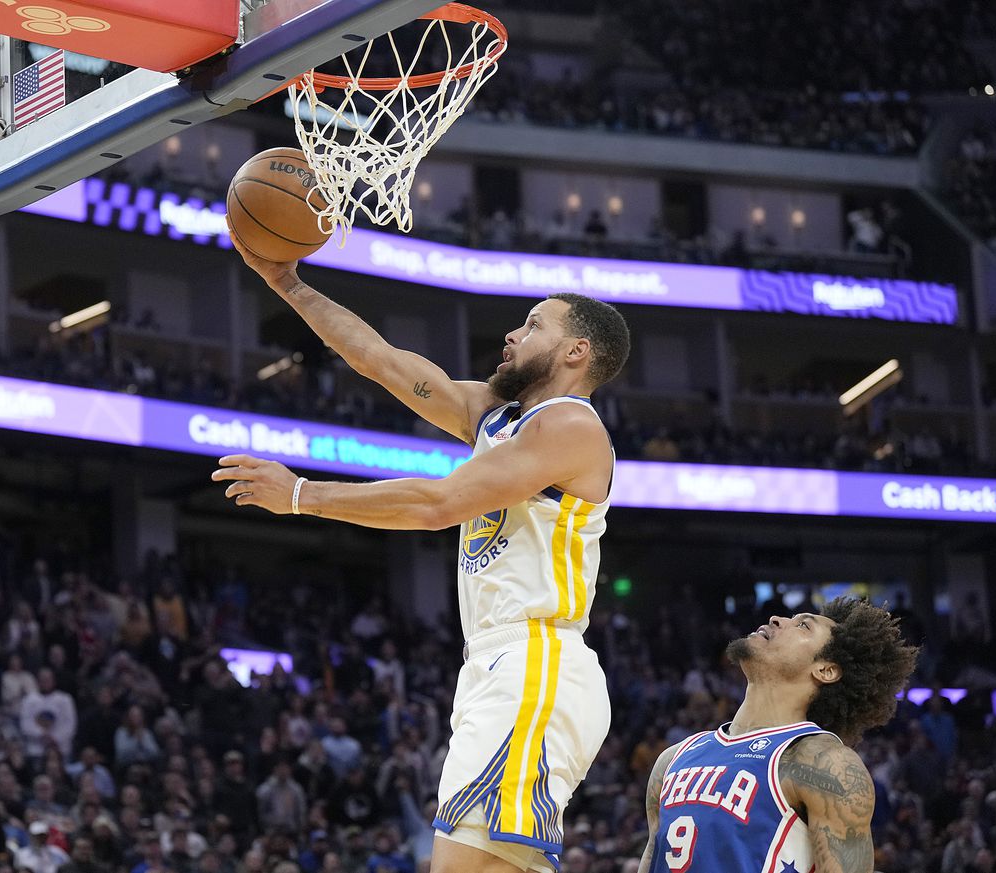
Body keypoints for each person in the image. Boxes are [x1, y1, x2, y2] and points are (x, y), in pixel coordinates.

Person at [217, 243, 632, 873]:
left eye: (534, 325)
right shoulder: (500, 418)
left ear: (577, 352)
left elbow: (440, 503)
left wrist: (302, 495)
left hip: (535, 659)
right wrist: (286, 282)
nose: (513, 334)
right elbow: (379, 360)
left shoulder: (570, 427)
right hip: (498, 663)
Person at [638, 599, 918, 873]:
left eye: (803, 626)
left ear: (826, 670)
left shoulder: (825, 762)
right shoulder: (673, 758)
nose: (776, 619)